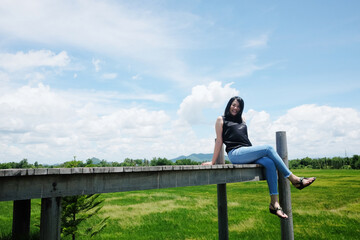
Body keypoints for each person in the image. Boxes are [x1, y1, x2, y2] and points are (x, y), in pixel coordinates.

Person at [202, 96, 316, 219]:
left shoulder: (242, 119)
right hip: (235, 153)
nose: (235, 108)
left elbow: (243, 138)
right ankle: (294, 179)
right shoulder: (221, 119)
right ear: (229, 104)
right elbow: (219, 141)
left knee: (269, 162)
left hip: (246, 151)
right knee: (268, 148)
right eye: (234, 105)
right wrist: (213, 162)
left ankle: (274, 203)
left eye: (238, 106)